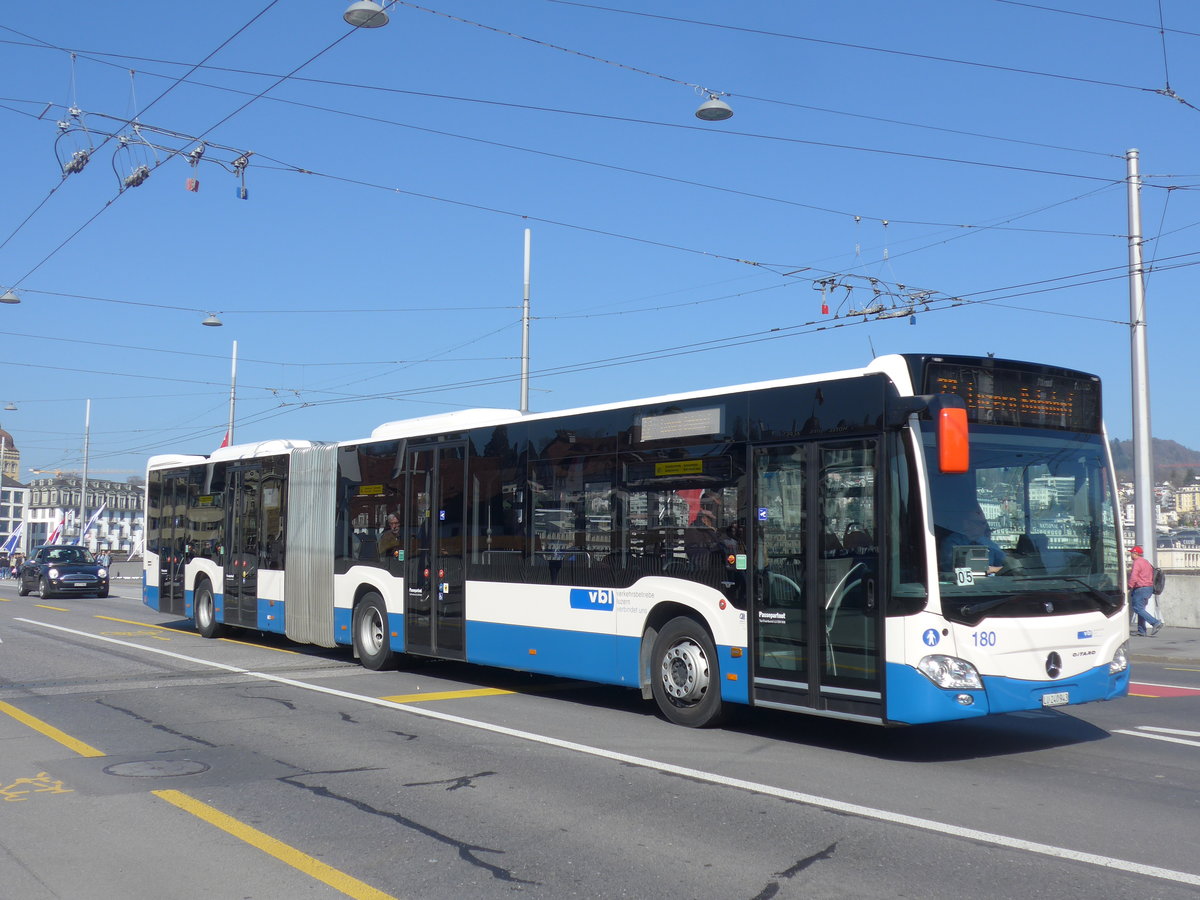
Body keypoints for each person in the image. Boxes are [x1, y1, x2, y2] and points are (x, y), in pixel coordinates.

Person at [939, 506, 1006, 575]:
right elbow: (948, 569)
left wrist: (992, 569)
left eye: (984, 523)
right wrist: (985, 570)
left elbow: (1006, 566)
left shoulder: (989, 544)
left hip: (991, 581)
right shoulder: (952, 542)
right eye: (978, 523)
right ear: (966, 523)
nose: (983, 526)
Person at [1127, 545, 1162, 637]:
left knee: (1137, 608)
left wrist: (1129, 586)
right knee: (1141, 608)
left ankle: (1155, 622)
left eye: (1131, 553)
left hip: (1141, 588)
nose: (1130, 554)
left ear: (1135, 553)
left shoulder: (1137, 562)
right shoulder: (1146, 562)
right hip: (1148, 588)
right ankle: (1141, 630)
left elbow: (1134, 576)